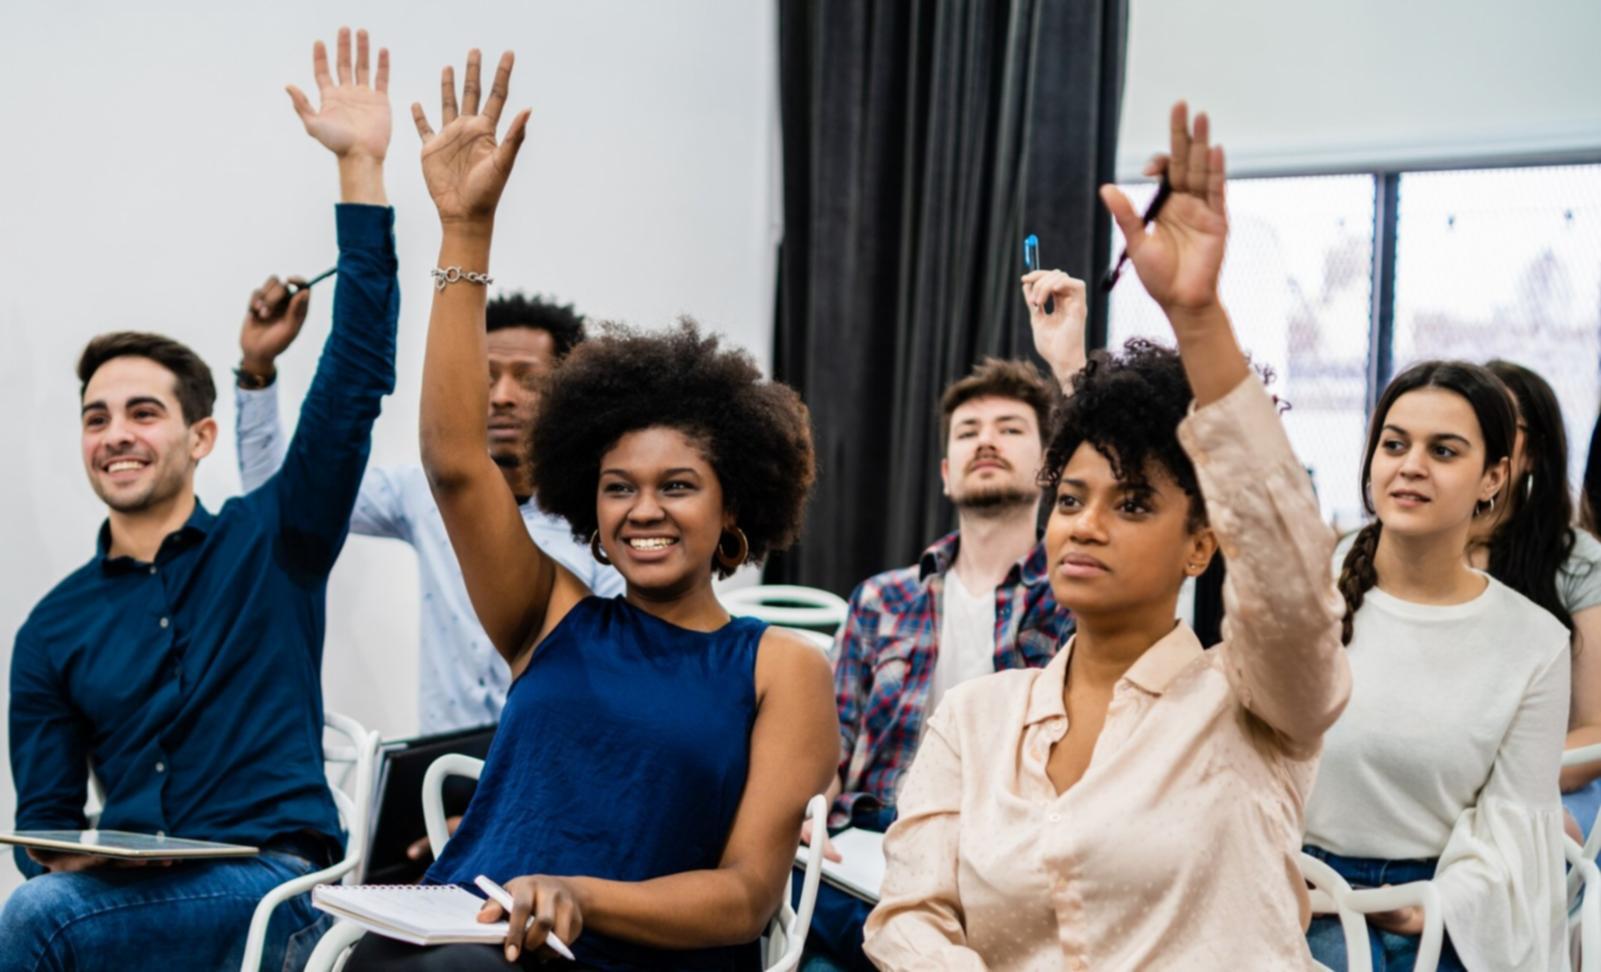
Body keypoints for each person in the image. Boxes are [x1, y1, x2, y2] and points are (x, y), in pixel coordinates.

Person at [341, 47, 837, 971]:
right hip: (465, 936)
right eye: (618, 488)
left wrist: (576, 898)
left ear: (734, 508)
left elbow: (743, 897)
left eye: (676, 486)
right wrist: (464, 232)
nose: (642, 510)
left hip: (621, 955)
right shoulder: (552, 616)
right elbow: (454, 464)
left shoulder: (782, 668)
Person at [863, 102, 1351, 970]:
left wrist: (1197, 320)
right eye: (1071, 499)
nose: (1084, 523)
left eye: (1130, 505)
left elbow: (1288, 578)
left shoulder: (1256, 703)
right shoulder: (976, 721)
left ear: (1201, 544)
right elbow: (907, 919)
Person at [1, 28, 399, 972]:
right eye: (97, 418)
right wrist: (70, 849)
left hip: (280, 886)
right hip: (134, 896)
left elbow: (352, 383)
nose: (117, 434)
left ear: (201, 437)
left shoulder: (277, 540)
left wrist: (360, 170)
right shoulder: (53, 628)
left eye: (144, 412)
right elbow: (45, 828)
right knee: (46, 906)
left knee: (38, 927)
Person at [235, 285, 623, 735]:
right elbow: (286, 496)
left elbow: (621, 668)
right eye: (487, 375)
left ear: (568, 393)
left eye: (528, 379)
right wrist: (256, 370)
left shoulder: (604, 511)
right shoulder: (425, 492)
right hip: (441, 771)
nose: (501, 396)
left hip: (557, 762)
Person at [811, 348, 1079, 972]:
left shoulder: (1075, 600)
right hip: (870, 850)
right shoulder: (882, 599)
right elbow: (830, 741)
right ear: (944, 472)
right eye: (968, 432)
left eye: (1010, 429)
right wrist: (806, 806)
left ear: (1048, 468)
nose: (986, 441)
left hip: (1006, 863)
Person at [1305, 359, 1568, 971]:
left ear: (1493, 477)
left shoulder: (1535, 642)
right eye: (1395, 445)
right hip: (1299, 890)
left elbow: (1514, 835)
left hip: (1441, 907)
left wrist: (1427, 909)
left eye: (1443, 451)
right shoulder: (1310, 591)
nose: (1412, 466)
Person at [1464, 361, 1601, 838]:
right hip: (1434, 780)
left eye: (1500, 422)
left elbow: (1596, 728)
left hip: (1551, 784)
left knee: (1541, 836)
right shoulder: (1415, 549)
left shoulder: (1578, 561)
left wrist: (1491, 780)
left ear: (1533, 454)